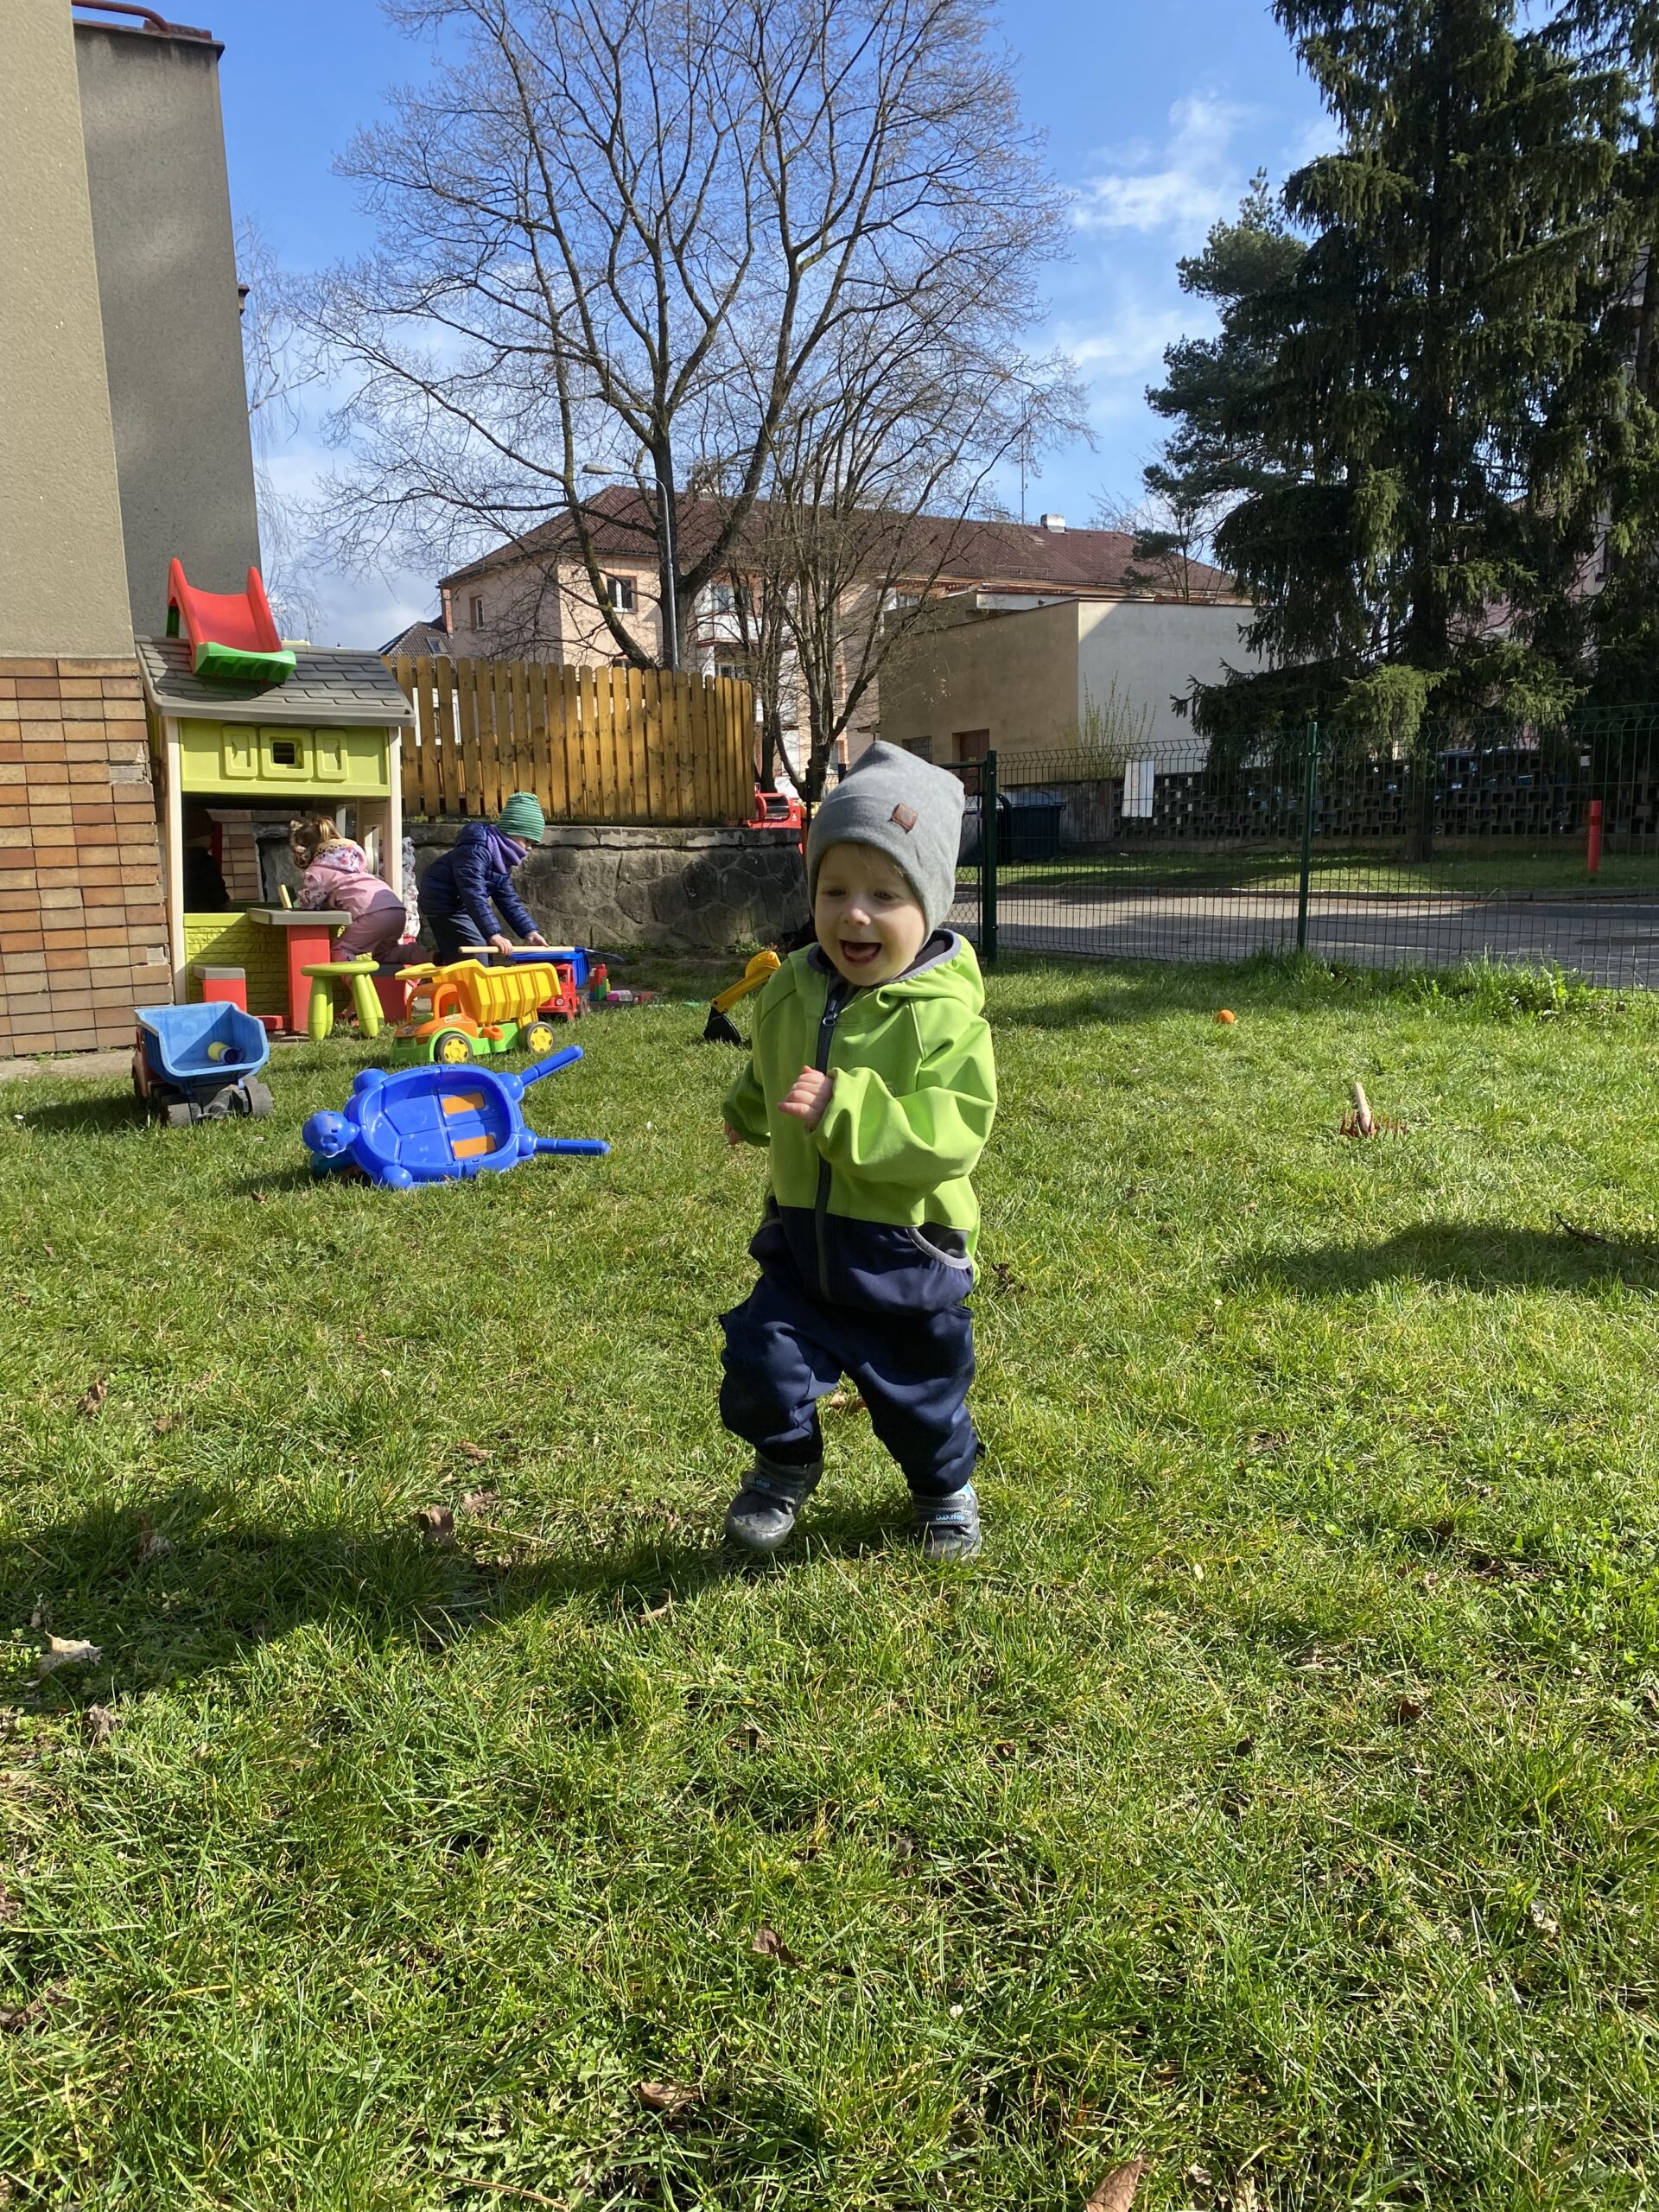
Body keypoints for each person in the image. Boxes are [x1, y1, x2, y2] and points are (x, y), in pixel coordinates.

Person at [718, 742, 996, 1561]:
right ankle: (785, 1464)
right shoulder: (789, 987)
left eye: (884, 894)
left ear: (930, 906)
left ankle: (944, 1490)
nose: (854, 916)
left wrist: (848, 1109)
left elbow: (954, 1131)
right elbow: (771, 1066)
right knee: (761, 1357)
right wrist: (748, 1110)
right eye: (834, 891)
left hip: (905, 1252)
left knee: (921, 1396)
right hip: (804, 1243)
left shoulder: (943, 1017)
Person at [417, 792, 550, 964]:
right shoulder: (475, 851)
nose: (529, 848)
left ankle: (465, 974)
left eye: (532, 843)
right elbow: (473, 893)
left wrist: (529, 932)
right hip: (442, 901)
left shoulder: (500, 859)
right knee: (476, 946)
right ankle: (470, 979)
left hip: (462, 904)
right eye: (527, 841)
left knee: (481, 946)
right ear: (510, 832)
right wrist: (493, 933)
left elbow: (508, 899)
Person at [289, 816, 411, 964]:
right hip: (396, 909)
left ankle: (355, 980)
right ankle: (431, 958)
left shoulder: (317, 871)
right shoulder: (352, 860)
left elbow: (309, 904)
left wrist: (299, 901)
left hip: (372, 914)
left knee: (340, 949)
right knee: (387, 953)